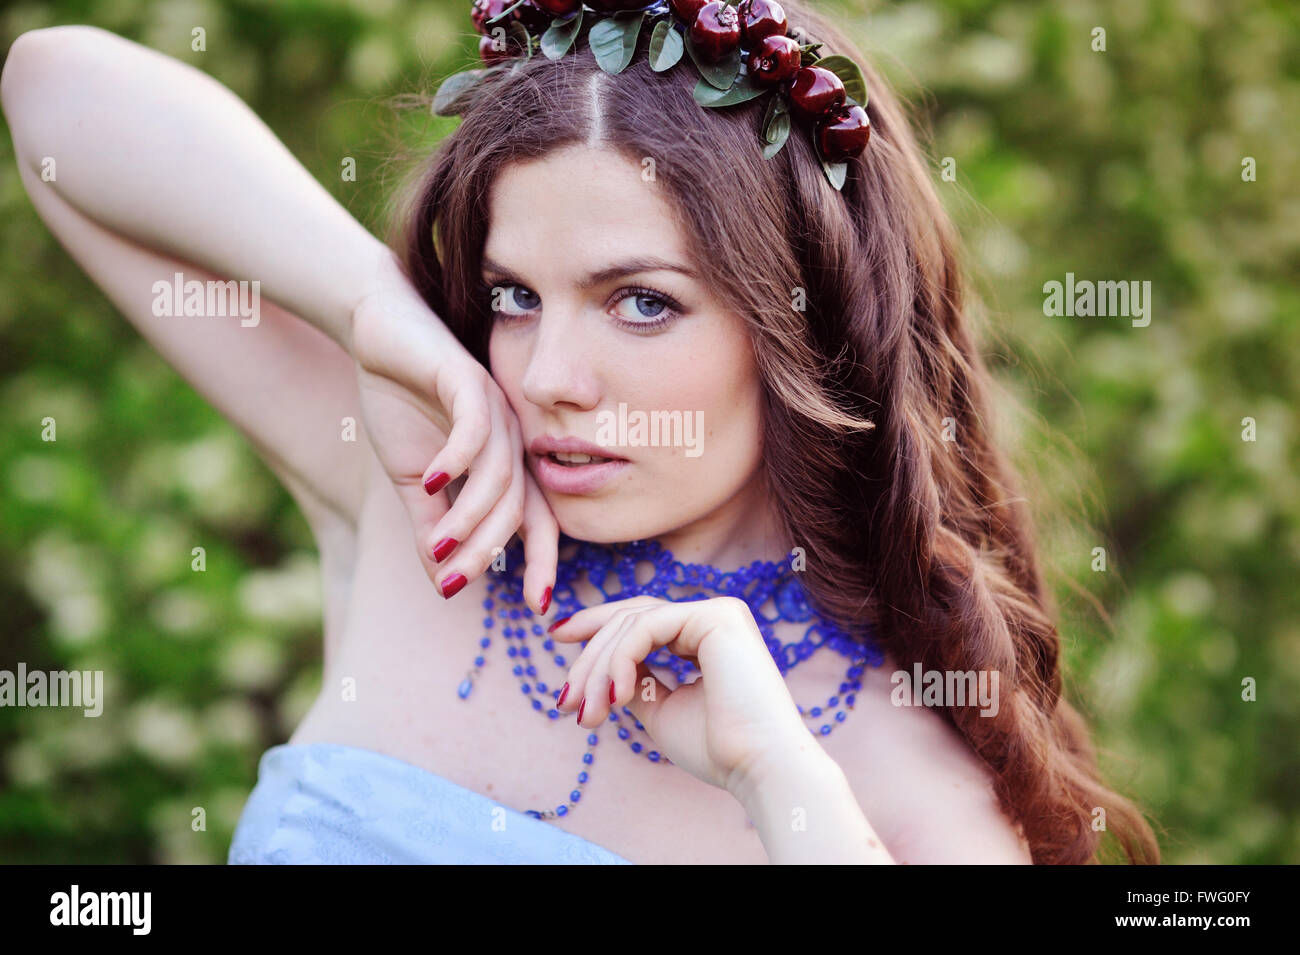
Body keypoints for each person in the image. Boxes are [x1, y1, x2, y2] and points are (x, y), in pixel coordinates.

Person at [1, 0, 1160, 864]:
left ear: (802, 326)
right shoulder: (431, 508)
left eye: (640, 301)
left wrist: (774, 777)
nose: (548, 376)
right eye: (514, 296)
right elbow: (51, 93)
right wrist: (370, 308)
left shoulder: (908, 778)